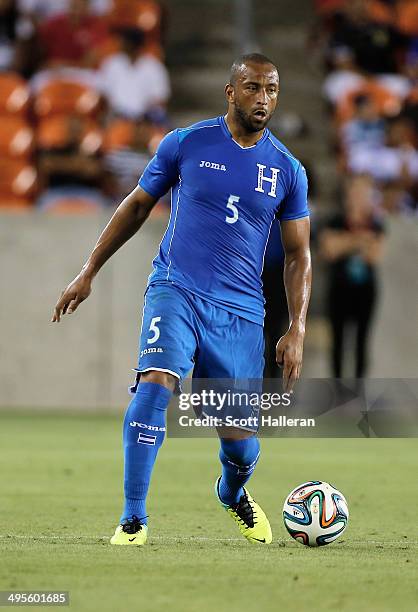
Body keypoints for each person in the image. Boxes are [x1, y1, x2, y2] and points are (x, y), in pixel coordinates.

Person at [52, 53, 312, 547]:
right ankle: (133, 519)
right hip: (176, 288)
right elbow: (137, 205)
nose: (263, 99)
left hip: (240, 312)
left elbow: (299, 254)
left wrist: (296, 326)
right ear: (230, 92)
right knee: (156, 383)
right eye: (253, 88)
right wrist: (89, 271)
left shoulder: (287, 170)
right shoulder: (187, 143)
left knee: (241, 446)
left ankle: (232, 492)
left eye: (272, 90)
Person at [320, 174, 385, 378]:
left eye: (363, 193)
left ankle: (358, 390)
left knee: (361, 342)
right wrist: (360, 241)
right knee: (337, 342)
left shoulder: (376, 223)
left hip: (365, 292)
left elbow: (374, 256)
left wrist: (344, 243)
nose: (358, 197)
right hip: (338, 289)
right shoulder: (335, 220)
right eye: (355, 192)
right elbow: (329, 250)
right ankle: (338, 388)